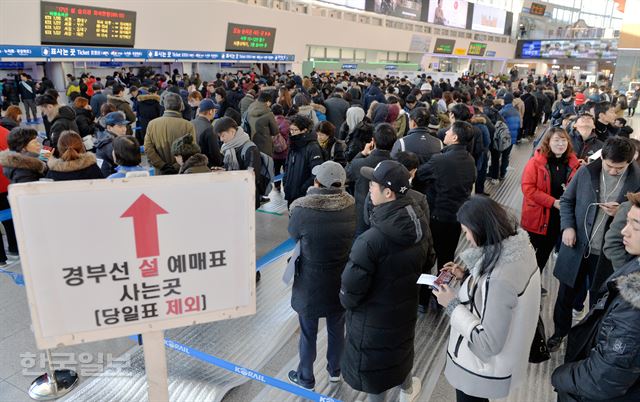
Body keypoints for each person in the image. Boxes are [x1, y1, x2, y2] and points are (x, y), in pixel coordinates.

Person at [340, 160, 433, 402]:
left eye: (373, 185)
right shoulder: (419, 221)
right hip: (405, 309)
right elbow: (429, 259)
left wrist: (348, 303)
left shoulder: (370, 241)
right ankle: (407, 390)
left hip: (373, 320)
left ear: (388, 193)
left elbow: (351, 290)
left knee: (376, 374)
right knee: (399, 351)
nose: (369, 188)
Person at [433, 196, 541, 402]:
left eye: (466, 232)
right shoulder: (521, 249)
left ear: (480, 229)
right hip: (509, 354)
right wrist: (466, 276)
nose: (467, 238)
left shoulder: (499, 278)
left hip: (480, 368)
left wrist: (452, 305)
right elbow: (494, 297)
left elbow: (489, 342)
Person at [549, 137, 640, 352]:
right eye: (609, 166)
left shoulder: (637, 180)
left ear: (631, 160)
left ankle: (587, 343)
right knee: (565, 295)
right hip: (577, 245)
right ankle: (559, 333)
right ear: (603, 158)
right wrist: (568, 227)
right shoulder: (586, 172)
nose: (614, 171)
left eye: (620, 168)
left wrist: (622, 211)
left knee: (599, 302)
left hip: (609, 253)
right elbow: (567, 201)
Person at [551, 190, 640, 401]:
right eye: (626, 222)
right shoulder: (634, 266)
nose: (624, 232)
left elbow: (604, 377)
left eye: (635, 226)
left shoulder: (633, 306)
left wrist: (561, 376)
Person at [286, 161, 356, 391]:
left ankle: (306, 377)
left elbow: (294, 234)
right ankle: (335, 371)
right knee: (338, 328)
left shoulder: (303, 209)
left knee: (308, 331)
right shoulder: (351, 205)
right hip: (340, 278)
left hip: (310, 281)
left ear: (318, 183)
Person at [521, 127, 580, 294]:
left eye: (563, 140)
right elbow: (528, 188)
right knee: (528, 255)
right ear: (548, 142)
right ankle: (521, 286)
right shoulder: (536, 162)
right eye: (556, 140)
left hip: (557, 219)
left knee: (544, 254)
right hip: (537, 217)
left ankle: (533, 285)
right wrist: (552, 202)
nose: (560, 144)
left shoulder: (573, 164)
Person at [416, 121, 477, 270]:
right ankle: (442, 288)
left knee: (428, 255)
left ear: (455, 137)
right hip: (457, 216)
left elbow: (419, 175)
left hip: (438, 217)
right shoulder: (470, 159)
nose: (446, 132)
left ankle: (426, 291)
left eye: (449, 131)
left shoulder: (440, 160)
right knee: (447, 258)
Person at [345, 123, 395, 234]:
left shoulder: (359, 163)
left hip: (362, 217)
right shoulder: (397, 165)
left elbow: (346, 174)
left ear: (373, 141)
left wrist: (362, 153)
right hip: (388, 216)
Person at [391, 107, 443, 194]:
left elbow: (393, 166)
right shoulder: (439, 143)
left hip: (408, 190)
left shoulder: (402, 142)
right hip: (430, 190)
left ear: (413, 123)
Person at [214, 117, 262, 209]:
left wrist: (229, 174)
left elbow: (251, 176)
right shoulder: (228, 148)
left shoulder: (250, 149)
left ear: (232, 131)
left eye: (223, 135)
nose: (221, 139)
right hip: (233, 193)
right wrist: (223, 170)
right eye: (219, 136)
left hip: (247, 197)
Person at [144, 92, 196, 175]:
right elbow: (190, 150)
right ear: (181, 106)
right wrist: (175, 166)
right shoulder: (188, 125)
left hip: (160, 171)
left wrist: (162, 165)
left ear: (164, 106)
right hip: (181, 170)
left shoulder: (152, 124)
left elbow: (148, 149)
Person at [283, 115, 324, 207]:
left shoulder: (312, 148)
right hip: (291, 193)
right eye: (291, 130)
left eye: (295, 130)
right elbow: (287, 166)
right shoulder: (293, 145)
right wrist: (285, 183)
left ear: (304, 130)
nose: (292, 133)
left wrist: (303, 189)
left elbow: (316, 173)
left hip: (304, 195)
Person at [489, 93, 520, 184]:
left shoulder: (503, 111)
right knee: (505, 157)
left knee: (496, 157)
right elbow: (518, 125)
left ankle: (495, 175)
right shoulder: (516, 111)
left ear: (505, 100)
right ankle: (503, 174)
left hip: (502, 138)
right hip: (512, 139)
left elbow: (498, 125)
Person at [95, 112, 130, 177]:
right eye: (120, 126)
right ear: (109, 128)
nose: (124, 129)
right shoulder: (110, 144)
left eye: (124, 125)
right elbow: (126, 163)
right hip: (110, 180)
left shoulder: (105, 139)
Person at [191, 98, 222, 168]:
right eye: (215, 110)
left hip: (191, 165)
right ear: (210, 111)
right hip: (205, 166)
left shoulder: (190, 123)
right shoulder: (210, 128)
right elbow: (215, 154)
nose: (215, 112)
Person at [246, 91, 279, 157]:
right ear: (268, 102)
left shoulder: (249, 109)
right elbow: (275, 131)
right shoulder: (269, 114)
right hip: (265, 145)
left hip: (252, 142)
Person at [271, 103, 290, 189]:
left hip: (274, 152)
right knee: (286, 169)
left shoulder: (271, 122)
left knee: (276, 170)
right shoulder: (286, 122)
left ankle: (277, 185)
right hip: (285, 151)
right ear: (282, 111)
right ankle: (286, 184)